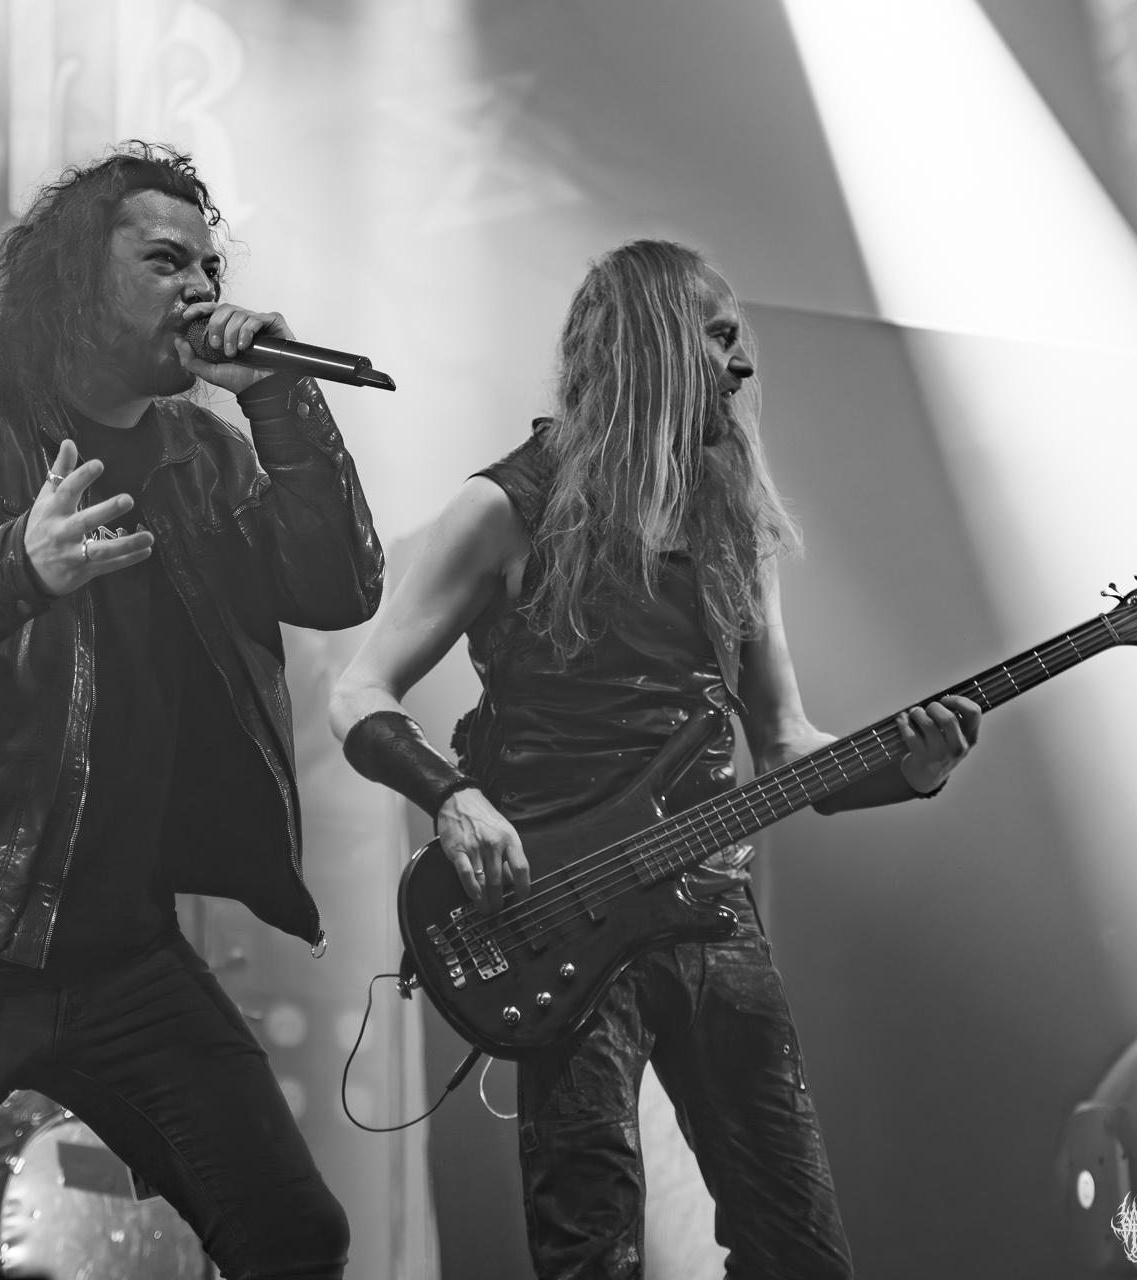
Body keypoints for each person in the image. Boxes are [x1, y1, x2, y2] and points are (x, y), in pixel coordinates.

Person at [330, 240, 982, 1279]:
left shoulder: (735, 526)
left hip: (714, 917)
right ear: (650, 343)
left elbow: (786, 746)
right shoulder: (506, 506)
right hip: (562, 915)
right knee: (592, 1250)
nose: (742, 362)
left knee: (802, 1253)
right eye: (718, 335)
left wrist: (909, 771)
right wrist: (452, 797)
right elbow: (357, 690)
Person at [0, 142, 382, 1275]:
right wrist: (17, 565)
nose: (200, 289)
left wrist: (284, 399)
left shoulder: (207, 457)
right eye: (166, 261)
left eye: (210, 267)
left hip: (117, 946)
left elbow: (337, 586)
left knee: (293, 1232)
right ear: (76, 279)